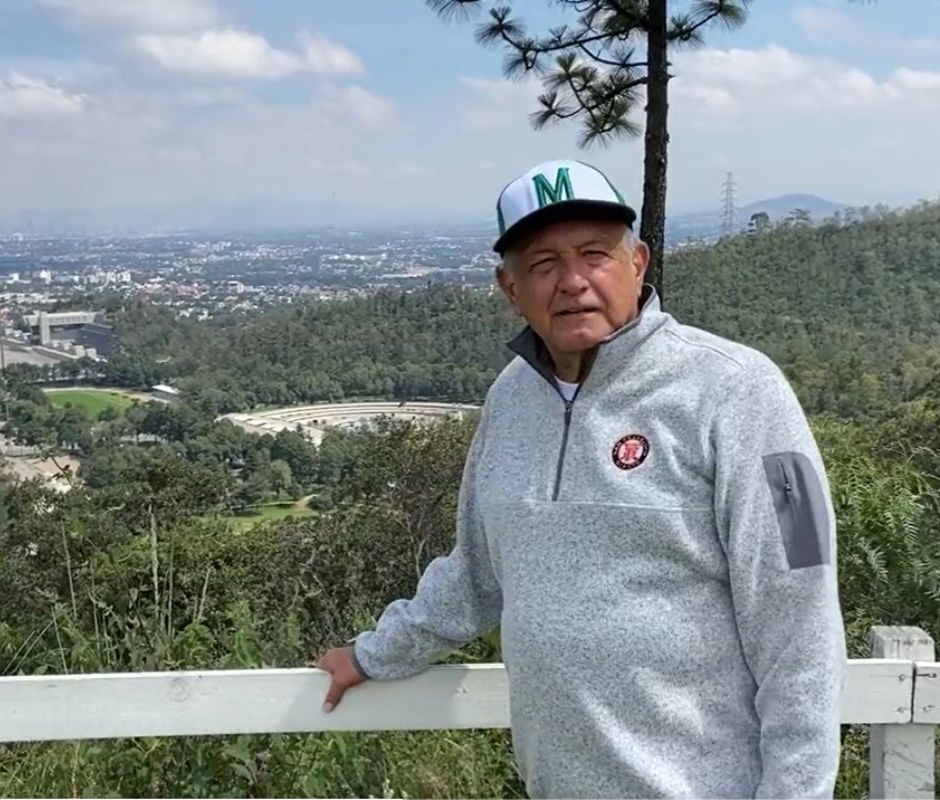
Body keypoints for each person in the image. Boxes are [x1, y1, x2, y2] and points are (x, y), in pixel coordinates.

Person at [314, 159, 847, 798]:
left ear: (638, 263)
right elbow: (476, 572)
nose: (572, 282)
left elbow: (800, 613)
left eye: (595, 254)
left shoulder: (740, 391)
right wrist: (374, 654)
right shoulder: (511, 399)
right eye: (543, 264)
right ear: (509, 287)